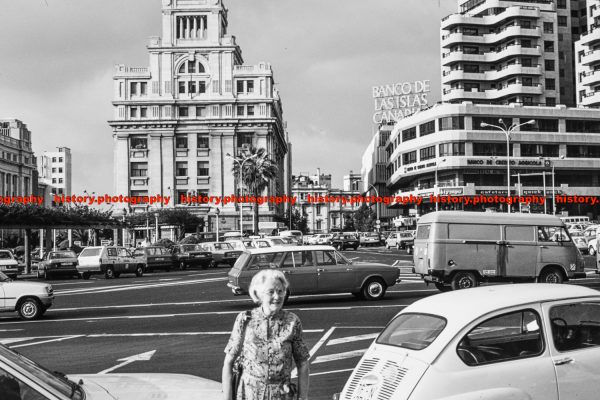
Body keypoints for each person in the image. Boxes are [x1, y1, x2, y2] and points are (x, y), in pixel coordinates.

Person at [222, 270, 310, 400]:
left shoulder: (292, 321)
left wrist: (303, 398)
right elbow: (229, 362)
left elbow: (303, 363)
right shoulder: (245, 319)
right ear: (259, 294)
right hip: (249, 394)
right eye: (271, 292)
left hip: (282, 395)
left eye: (281, 291)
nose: (277, 296)